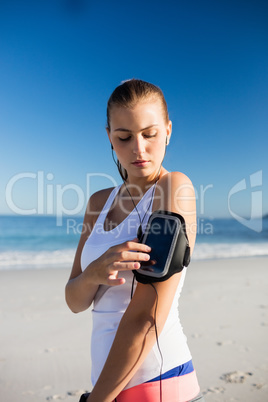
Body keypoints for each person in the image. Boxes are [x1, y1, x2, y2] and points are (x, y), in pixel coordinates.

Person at [65, 79, 204, 402]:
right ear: (109, 137)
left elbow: (146, 317)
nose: (138, 149)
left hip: (160, 384)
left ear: (168, 130)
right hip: (108, 386)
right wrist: (94, 274)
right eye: (124, 137)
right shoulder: (98, 202)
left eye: (150, 134)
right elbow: (75, 300)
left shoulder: (173, 188)